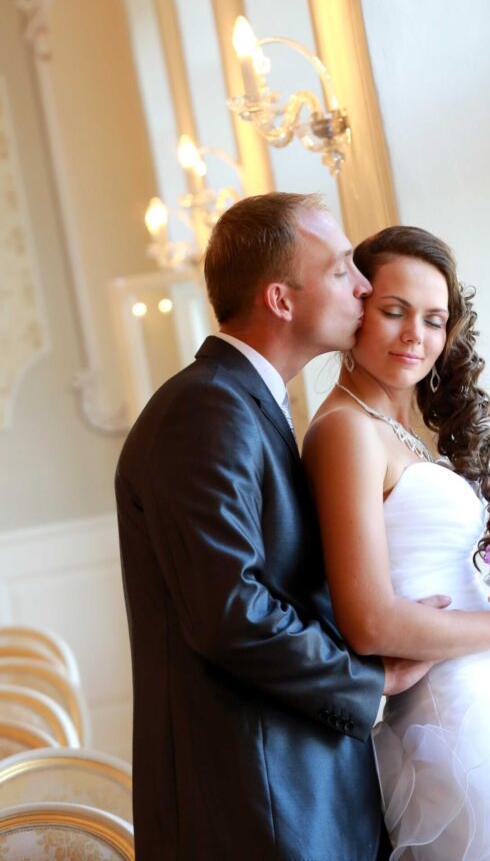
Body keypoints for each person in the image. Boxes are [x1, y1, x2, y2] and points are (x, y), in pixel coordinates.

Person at [115, 194, 436, 861]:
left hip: (293, 792)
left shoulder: (245, 402)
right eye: (342, 268)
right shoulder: (206, 409)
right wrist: (370, 680)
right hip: (258, 806)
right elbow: (231, 613)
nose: (364, 286)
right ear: (281, 300)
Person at [303, 225, 490, 861]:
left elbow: (433, 592)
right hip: (450, 721)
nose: (416, 335)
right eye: (394, 311)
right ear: (357, 308)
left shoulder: (395, 431)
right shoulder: (344, 431)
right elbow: (372, 622)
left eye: (434, 319)